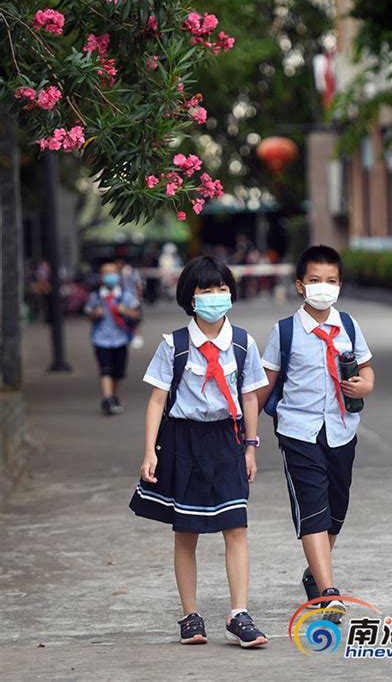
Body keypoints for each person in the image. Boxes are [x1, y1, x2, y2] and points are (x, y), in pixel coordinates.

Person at [129, 255, 268, 648]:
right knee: (186, 531)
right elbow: (157, 399)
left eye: (222, 288)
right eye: (206, 290)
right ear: (190, 298)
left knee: (236, 527)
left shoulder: (243, 343)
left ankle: (239, 614)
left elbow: (250, 397)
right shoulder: (173, 345)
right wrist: (149, 452)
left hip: (227, 440)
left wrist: (251, 447)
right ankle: (190, 616)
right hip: (183, 442)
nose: (215, 296)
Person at [257, 245, 375, 623]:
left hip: (341, 429)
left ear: (339, 284)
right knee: (312, 509)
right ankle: (328, 592)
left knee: (336, 510)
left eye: (331, 281)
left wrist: (364, 387)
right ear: (300, 286)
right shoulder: (285, 331)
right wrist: (242, 431)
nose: (323, 287)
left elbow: (367, 368)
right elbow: (266, 383)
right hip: (298, 432)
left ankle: (314, 571)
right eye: (315, 281)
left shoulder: (349, 327)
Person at [84, 262, 141, 415]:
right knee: (105, 370)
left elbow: (137, 315)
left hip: (120, 339)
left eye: (112, 273)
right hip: (101, 340)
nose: (110, 277)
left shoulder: (125, 295)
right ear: (102, 277)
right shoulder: (96, 296)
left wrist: (125, 311)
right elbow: (88, 314)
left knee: (118, 373)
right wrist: (95, 314)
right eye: (106, 273)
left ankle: (113, 396)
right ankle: (108, 399)